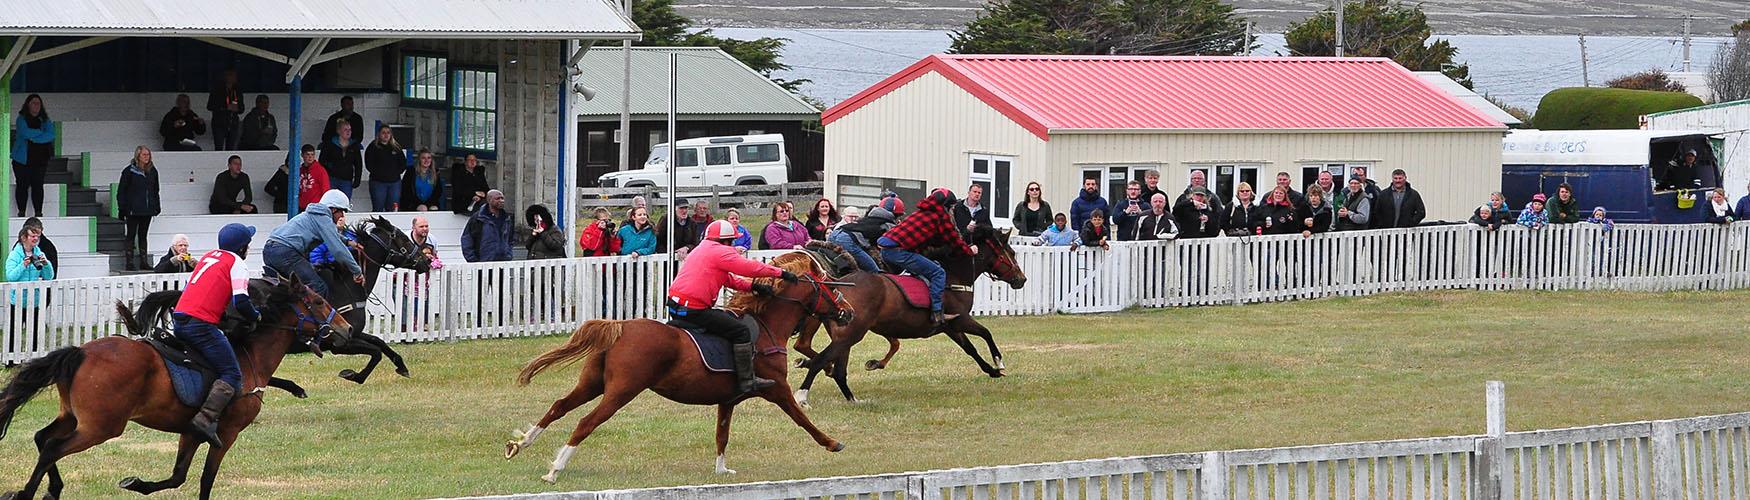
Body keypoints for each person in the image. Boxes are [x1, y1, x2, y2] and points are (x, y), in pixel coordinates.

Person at [667, 219, 801, 393]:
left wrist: (753, 286)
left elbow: (727, 278)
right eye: (732, 241)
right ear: (725, 241)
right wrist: (781, 273)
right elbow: (750, 268)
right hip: (693, 310)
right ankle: (747, 380)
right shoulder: (720, 252)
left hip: (674, 306)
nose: (733, 244)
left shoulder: (701, 249)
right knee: (741, 331)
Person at [170, 223, 260, 447]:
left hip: (180, 318)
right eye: (247, 244)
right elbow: (241, 300)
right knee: (231, 373)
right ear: (242, 248)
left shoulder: (210, 257)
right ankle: (205, 419)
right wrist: (255, 316)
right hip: (200, 325)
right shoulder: (237, 263)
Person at [878, 188, 977, 327]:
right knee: (938, 272)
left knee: (933, 264)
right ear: (945, 205)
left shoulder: (921, 213)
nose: (951, 210)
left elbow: (933, 239)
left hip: (885, 251)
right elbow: (953, 240)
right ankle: (937, 313)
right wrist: (969, 250)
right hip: (899, 252)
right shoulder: (940, 217)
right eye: (951, 207)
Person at [264, 190, 362, 297]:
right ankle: (309, 314)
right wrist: (357, 271)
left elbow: (332, 235)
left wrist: (348, 241)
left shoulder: (312, 215)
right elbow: (338, 250)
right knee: (318, 287)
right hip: (286, 253)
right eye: (342, 211)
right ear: (333, 209)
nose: (342, 216)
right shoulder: (323, 218)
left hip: (269, 250)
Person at [118, 146, 162, 271]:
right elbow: (122, 191)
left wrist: (156, 206)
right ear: (138, 156)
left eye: (148, 154)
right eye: (144, 154)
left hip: (147, 209)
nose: (146, 157)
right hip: (132, 209)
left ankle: (144, 261)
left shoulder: (153, 171)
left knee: (143, 235)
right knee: (131, 235)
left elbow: (155, 190)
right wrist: (122, 208)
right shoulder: (129, 171)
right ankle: (129, 262)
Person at [828, 198, 900, 272]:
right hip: (847, 240)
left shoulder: (867, 219)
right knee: (875, 272)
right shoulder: (888, 226)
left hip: (835, 233)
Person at [12, 94, 53, 218]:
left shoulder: (45, 120)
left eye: (38, 103)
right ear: (27, 105)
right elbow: (25, 133)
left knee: (38, 186)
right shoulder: (21, 118)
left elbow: (50, 135)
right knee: (22, 185)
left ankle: (38, 213)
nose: (36, 105)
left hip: (40, 160)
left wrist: (35, 138)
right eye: (33, 103)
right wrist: (41, 134)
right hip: (22, 160)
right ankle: (21, 211)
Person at [462, 190, 513, 263]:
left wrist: (508, 254)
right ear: (489, 200)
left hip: (503, 263)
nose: (501, 201)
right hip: (482, 263)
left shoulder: (506, 218)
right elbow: (467, 238)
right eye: (497, 198)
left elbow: (510, 239)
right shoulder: (478, 218)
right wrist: (472, 259)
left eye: (502, 198)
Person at [365, 125, 406, 212]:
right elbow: (369, 164)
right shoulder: (373, 147)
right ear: (379, 134)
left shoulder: (396, 147)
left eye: (388, 133)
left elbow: (403, 163)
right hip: (378, 182)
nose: (386, 135)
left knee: (393, 209)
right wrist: (379, 174)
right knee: (378, 208)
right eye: (383, 133)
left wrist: (395, 173)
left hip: (394, 183)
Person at [319, 121, 363, 198]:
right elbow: (322, 161)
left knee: (345, 202)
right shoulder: (329, 144)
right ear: (338, 131)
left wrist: (357, 178)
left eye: (350, 129)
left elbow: (358, 163)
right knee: (330, 202)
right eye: (345, 129)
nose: (348, 132)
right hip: (331, 178)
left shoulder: (354, 145)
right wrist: (329, 171)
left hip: (347, 179)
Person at [205, 69, 244, 151]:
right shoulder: (217, 90)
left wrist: (237, 108)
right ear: (226, 77)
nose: (233, 78)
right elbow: (210, 106)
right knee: (219, 147)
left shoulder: (237, 90)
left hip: (233, 123)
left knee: (231, 148)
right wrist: (225, 107)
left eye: (234, 76)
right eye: (231, 76)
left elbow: (242, 108)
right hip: (219, 123)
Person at [295, 144, 330, 212]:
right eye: (307, 154)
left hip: (315, 206)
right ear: (302, 155)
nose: (310, 157)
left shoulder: (320, 170)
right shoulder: (299, 170)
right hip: (302, 206)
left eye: (312, 154)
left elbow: (325, 189)